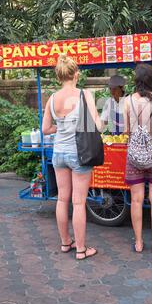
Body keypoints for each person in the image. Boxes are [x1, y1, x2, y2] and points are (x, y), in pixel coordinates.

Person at [42, 55, 101, 261]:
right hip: (80, 153)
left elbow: (46, 129)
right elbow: (98, 125)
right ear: (76, 74)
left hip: (59, 153)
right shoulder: (84, 95)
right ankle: (82, 249)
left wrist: (62, 126)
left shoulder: (52, 99)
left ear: (59, 76)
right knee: (78, 202)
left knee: (62, 199)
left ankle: (66, 243)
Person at [124, 64, 152, 254]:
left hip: (134, 154)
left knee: (136, 200)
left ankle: (139, 242)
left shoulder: (127, 101)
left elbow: (126, 131)